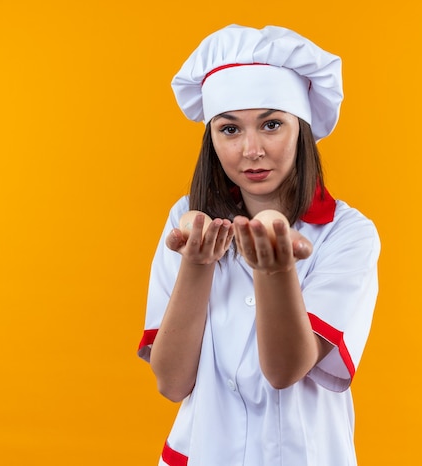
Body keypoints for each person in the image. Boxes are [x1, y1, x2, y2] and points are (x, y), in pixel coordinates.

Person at [138, 24, 381, 466]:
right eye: (230, 130)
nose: (251, 150)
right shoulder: (187, 222)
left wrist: (275, 270)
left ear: (302, 130)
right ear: (211, 140)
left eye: (271, 124)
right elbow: (172, 383)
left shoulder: (348, 233)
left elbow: (286, 371)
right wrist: (198, 265)